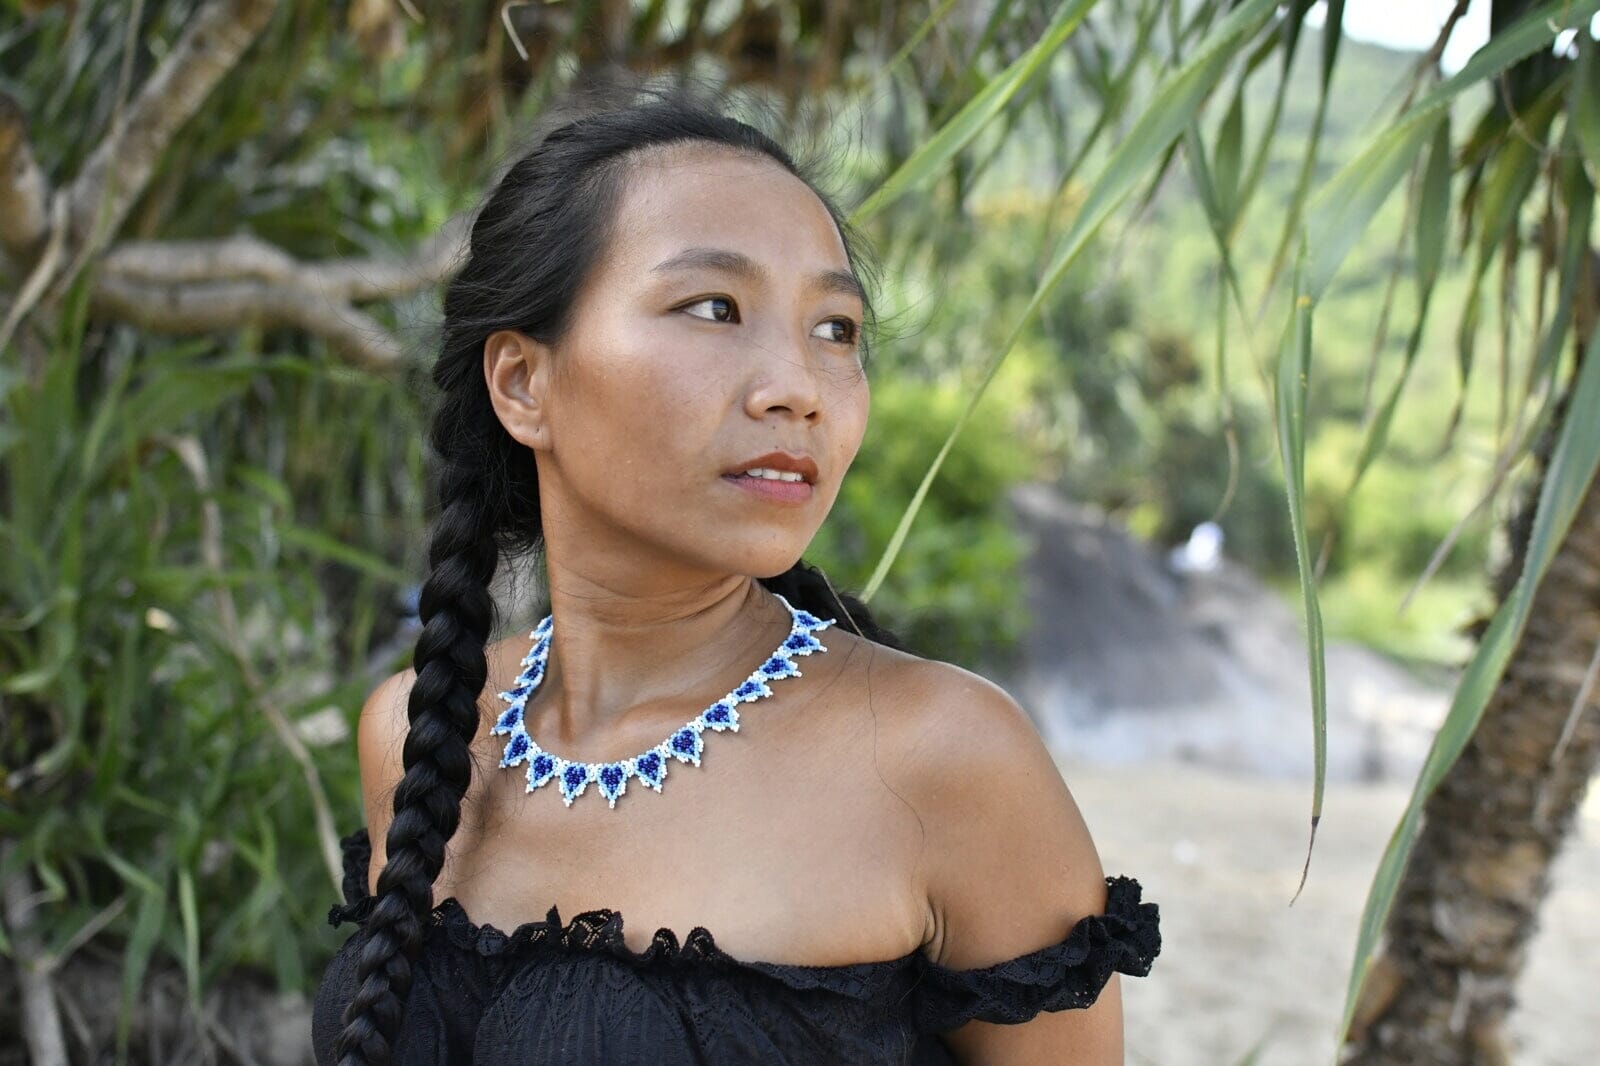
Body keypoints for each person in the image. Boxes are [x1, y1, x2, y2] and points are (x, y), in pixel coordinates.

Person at [311, 83, 1160, 1066]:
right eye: (715, 308)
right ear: (522, 382)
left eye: (835, 329)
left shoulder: (942, 760)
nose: (798, 388)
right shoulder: (417, 732)